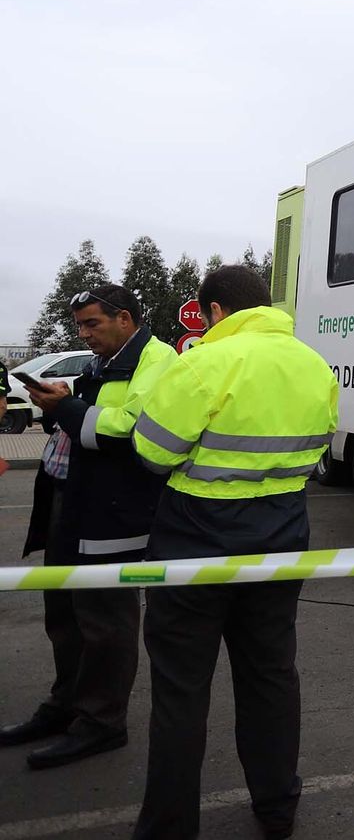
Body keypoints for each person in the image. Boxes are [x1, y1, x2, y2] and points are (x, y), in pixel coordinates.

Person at [130, 266, 338, 840]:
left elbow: (150, 450)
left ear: (216, 311)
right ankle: (277, 807)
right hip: (282, 534)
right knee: (271, 676)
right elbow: (318, 444)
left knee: (181, 689)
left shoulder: (203, 362)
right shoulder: (314, 364)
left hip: (195, 537)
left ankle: (169, 826)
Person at [1, 286, 177, 768]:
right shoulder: (103, 360)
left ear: (125, 318)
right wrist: (66, 397)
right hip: (71, 499)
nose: (83, 334)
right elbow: (96, 412)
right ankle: (66, 707)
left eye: (91, 324)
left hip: (113, 512)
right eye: (78, 326)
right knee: (64, 613)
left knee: (105, 621)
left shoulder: (157, 359)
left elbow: (130, 428)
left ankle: (101, 723)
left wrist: (69, 408)